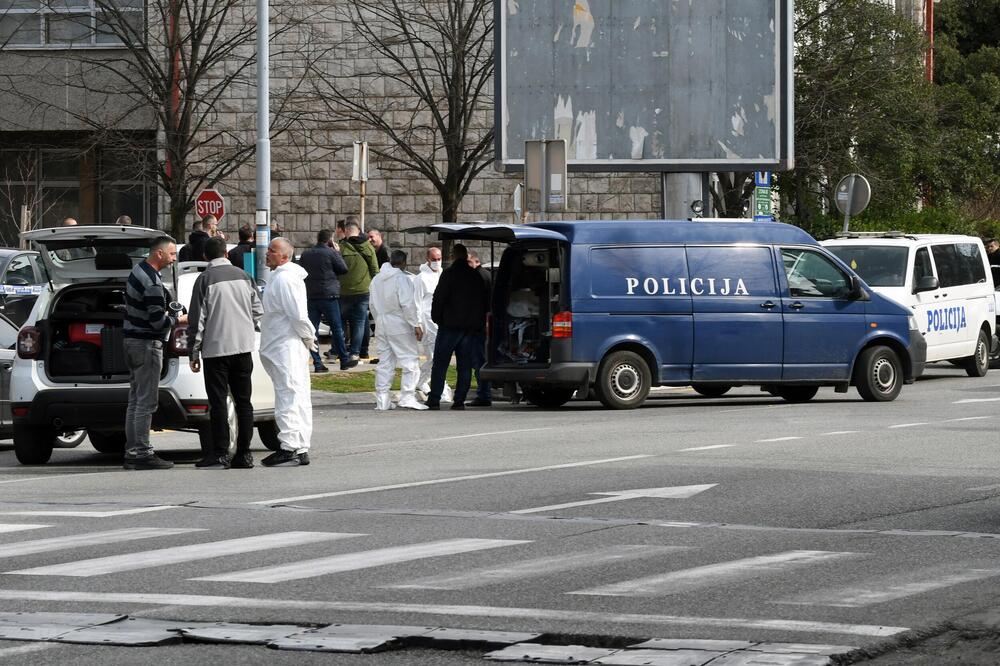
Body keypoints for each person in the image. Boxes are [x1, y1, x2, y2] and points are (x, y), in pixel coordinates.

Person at [187, 237, 263, 469]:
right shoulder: (244, 276)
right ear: (227, 254)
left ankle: (220, 454)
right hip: (243, 349)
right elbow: (258, 312)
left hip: (216, 350)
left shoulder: (204, 279)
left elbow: (197, 320)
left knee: (218, 402)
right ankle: (244, 453)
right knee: (244, 403)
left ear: (204, 257)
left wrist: (194, 352)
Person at [123, 236, 186, 470]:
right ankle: (140, 453)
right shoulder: (151, 282)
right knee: (146, 402)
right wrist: (179, 318)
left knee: (135, 400)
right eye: (171, 254)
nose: (173, 259)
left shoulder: (137, 271)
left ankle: (132, 450)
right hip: (147, 344)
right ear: (158, 254)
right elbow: (158, 323)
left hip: (131, 342)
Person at [259, 237, 315, 467]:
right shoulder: (281, 277)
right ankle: (300, 445)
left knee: (288, 394)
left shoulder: (285, 279)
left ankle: (290, 446)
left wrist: (308, 337)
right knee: (296, 393)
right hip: (282, 343)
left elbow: (298, 315)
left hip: (286, 345)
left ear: (284, 256)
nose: (267, 254)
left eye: (272, 251)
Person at [426, 243, 489, 411]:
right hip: (469, 327)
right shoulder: (474, 276)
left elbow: (439, 298)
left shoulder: (449, 274)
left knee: (440, 364)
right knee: (464, 365)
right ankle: (459, 400)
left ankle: (434, 399)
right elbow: (482, 302)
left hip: (449, 325)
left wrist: (437, 318)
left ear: (453, 256)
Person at [369, 250, 427, 411]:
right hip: (399, 324)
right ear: (403, 262)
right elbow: (408, 305)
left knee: (385, 362)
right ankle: (407, 396)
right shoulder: (402, 279)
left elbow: (372, 304)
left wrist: (379, 319)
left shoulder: (376, 279)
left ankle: (382, 399)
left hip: (382, 322)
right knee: (410, 361)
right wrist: (416, 324)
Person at [300, 229, 354, 372]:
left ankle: (317, 363)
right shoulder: (330, 253)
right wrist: (337, 253)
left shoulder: (306, 254)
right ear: (330, 240)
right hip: (329, 295)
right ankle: (343, 360)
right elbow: (343, 269)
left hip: (311, 295)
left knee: (313, 330)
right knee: (337, 328)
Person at [413, 245, 453, 402]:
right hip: (427, 322)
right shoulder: (421, 278)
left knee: (437, 357)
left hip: (442, 322)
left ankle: (421, 381)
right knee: (435, 357)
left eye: (439, 259)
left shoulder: (443, 274)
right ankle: (441, 388)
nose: (437, 262)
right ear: (427, 260)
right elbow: (416, 302)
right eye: (434, 259)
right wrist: (417, 324)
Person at [338, 219, 379, 361]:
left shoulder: (342, 247)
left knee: (341, 322)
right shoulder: (368, 246)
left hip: (344, 291)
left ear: (347, 231)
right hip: (363, 290)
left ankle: (341, 351)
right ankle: (355, 353)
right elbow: (375, 268)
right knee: (360, 322)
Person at [466, 249, 493, 407]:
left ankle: (484, 394)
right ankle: (484, 393)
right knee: (480, 359)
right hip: (482, 323)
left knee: (479, 360)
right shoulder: (486, 275)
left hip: (478, 325)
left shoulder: (477, 276)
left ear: (477, 261)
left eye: (469, 262)